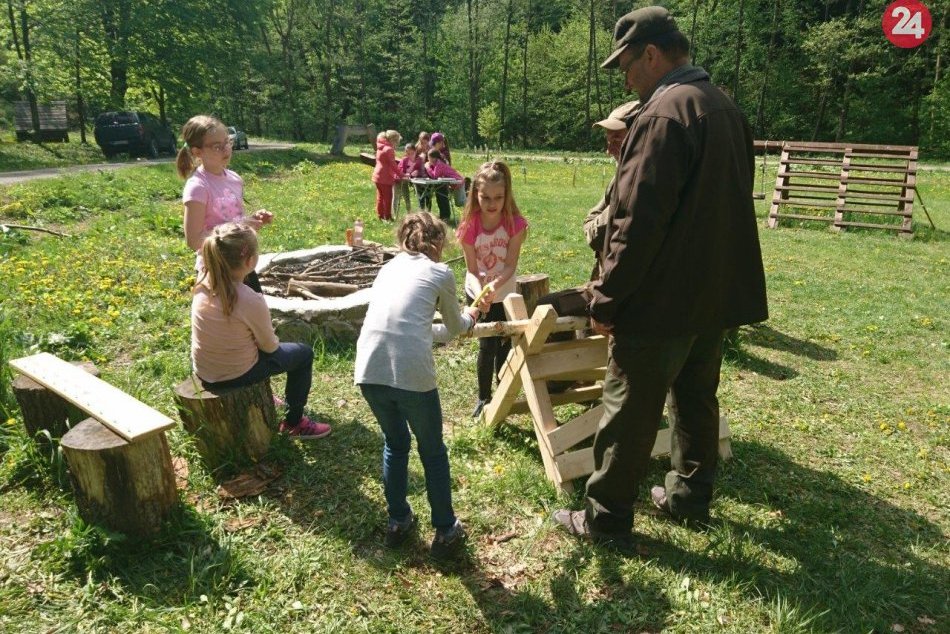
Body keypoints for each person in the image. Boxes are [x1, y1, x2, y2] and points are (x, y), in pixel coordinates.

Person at [553, 6, 768, 543]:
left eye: (626, 66)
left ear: (651, 53)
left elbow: (634, 223)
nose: (626, 78)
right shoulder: (726, 108)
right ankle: (689, 499)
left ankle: (604, 520)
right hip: (713, 298)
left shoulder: (662, 114)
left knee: (628, 409)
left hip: (663, 301)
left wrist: (604, 299)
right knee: (697, 400)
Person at [354, 212, 490, 558]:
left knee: (395, 443)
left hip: (370, 368)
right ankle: (445, 529)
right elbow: (456, 328)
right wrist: (474, 313)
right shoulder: (440, 272)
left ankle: (398, 520)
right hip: (411, 375)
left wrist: (462, 321)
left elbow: (417, 329)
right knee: (432, 450)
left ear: (404, 239)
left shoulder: (388, 268)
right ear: (439, 243)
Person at [191, 222, 331, 440]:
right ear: (250, 261)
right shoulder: (247, 299)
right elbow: (270, 347)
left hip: (204, 370)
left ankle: (278, 405)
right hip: (235, 374)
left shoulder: (202, 283)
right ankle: (295, 422)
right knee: (303, 354)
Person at [456, 161, 528, 418]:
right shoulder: (469, 226)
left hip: (504, 293)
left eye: (498, 197)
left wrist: (494, 288)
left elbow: (510, 266)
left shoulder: (515, 224)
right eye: (485, 197)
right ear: (475, 193)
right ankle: (483, 397)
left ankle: (502, 392)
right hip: (478, 293)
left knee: (505, 343)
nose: (491, 203)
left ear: (507, 194)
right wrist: (481, 294)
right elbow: (472, 270)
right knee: (487, 345)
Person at [179, 115, 273, 292]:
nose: (226, 149)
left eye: (227, 141)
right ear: (197, 152)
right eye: (217, 146)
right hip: (217, 269)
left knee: (251, 313)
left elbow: (233, 219)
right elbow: (193, 240)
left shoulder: (234, 179)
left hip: (242, 263)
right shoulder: (198, 187)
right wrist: (239, 225)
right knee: (226, 318)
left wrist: (251, 221)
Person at [424, 149, 465, 222]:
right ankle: (444, 217)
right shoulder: (437, 164)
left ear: (434, 158)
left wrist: (427, 167)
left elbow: (434, 176)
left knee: (460, 202)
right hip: (454, 184)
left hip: (458, 182)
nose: (428, 159)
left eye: (429, 157)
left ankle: (473, 201)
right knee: (458, 202)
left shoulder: (439, 164)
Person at [372, 130, 402, 221]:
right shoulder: (389, 149)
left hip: (377, 175)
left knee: (380, 197)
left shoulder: (380, 147)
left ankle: (380, 215)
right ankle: (388, 217)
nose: (397, 144)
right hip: (385, 177)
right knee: (388, 198)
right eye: (397, 142)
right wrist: (401, 174)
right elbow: (393, 165)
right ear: (393, 140)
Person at [394, 143, 424, 217]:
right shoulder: (404, 160)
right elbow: (399, 171)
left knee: (407, 196)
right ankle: (395, 215)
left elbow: (422, 170)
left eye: (412, 153)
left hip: (408, 181)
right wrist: (404, 174)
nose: (410, 155)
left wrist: (417, 172)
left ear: (415, 152)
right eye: (408, 153)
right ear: (405, 153)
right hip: (398, 180)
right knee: (396, 197)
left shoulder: (419, 160)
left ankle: (409, 214)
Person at [416, 132, 432, 211]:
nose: (423, 145)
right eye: (422, 142)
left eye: (425, 143)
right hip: (418, 175)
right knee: (420, 193)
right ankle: (421, 211)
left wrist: (426, 154)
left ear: (428, 141)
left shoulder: (430, 149)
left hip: (428, 174)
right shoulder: (417, 148)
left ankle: (428, 211)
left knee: (428, 194)